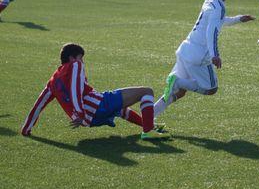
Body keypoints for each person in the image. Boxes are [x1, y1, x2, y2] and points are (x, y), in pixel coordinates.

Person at [153, 0, 255, 119]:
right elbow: (211, 31)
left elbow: (217, 21)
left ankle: (148, 120)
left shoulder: (210, 0)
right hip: (199, 56)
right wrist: (215, 55)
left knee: (178, 93)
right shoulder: (219, 7)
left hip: (186, 50)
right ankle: (178, 81)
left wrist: (238, 19)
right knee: (211, 89)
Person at [21, 43, 170, 140]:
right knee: (147, 91)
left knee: (121, 108)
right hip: (96, 107)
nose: (82, 61)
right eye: (81, 58)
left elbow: (39, 104)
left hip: (88, 120)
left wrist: (26, 128)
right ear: (72, 58)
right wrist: (79, 112)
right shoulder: (75, 66)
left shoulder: (53, 80)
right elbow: (75, 90)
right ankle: (148, 131)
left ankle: (149, 125)